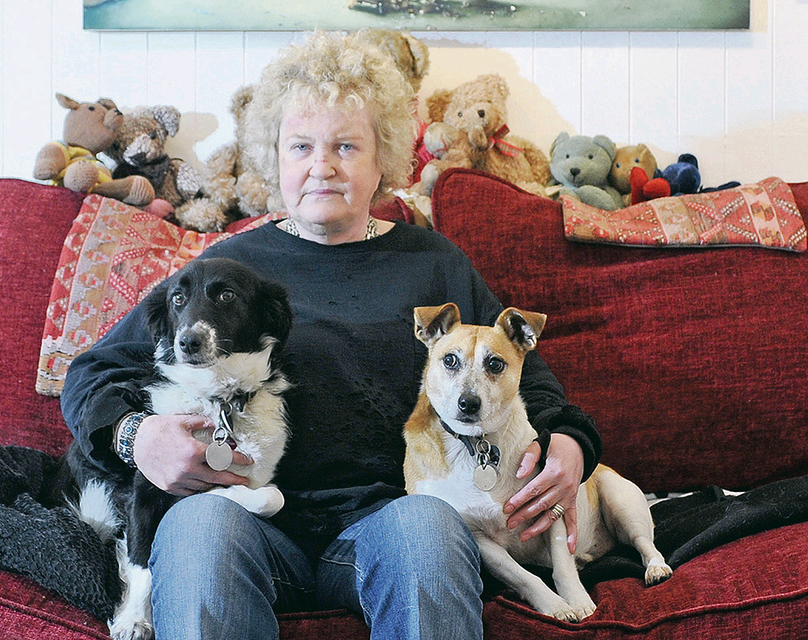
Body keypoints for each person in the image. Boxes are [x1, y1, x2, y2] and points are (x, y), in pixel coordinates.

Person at [61, 31, 602, 640]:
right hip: (248, 519)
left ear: (384, 158)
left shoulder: (435, 263)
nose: (323, 165)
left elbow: (536, 385)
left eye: (347, 145)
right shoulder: (227, 271)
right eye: (301, 146)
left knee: (429, 525)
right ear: (275, 157)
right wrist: (136, 436)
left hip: (389, 517)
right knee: (196, 527)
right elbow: (90, 374)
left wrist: (572, 447)